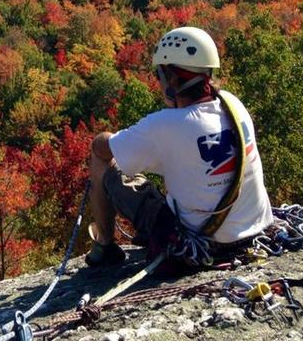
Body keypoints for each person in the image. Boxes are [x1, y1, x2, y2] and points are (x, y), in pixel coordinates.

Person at [86, 26, 273, 268]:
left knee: (106, 165)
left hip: (202, 244)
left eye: (159, 75)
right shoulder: (233, 104)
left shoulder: (164, 125)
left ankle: (105, 246)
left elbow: (102, 150)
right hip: (256, 232)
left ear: (171, 79)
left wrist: (104, 137)